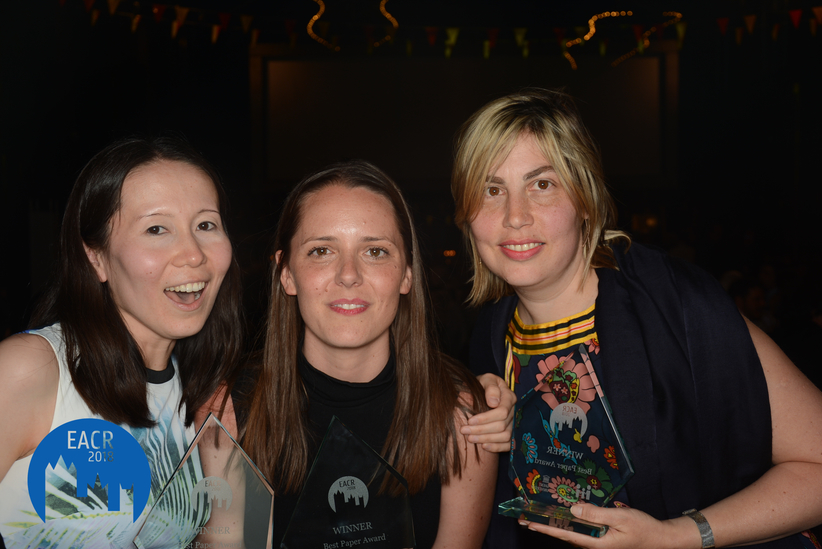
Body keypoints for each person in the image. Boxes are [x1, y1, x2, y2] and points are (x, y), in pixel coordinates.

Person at [450, 89, 822, 549]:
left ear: (585, 198)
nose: (515, 216)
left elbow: (816, 466)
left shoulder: (674, 305)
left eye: (541, 184)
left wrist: (676, 536)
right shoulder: (491, 337)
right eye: (491, 190)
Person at [240, 160, 503, 548]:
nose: (349, 274)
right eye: (321, 251)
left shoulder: (463, 417)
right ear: (287, 273)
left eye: (375, 251)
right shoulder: (229, 413)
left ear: (407, 273)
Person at [0, 136, 244, 548]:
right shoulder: (30, 369)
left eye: (206, 225)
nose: (193, 254)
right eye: (156, 229)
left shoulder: (206, 394)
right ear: (96, 257)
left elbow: (225, 539)